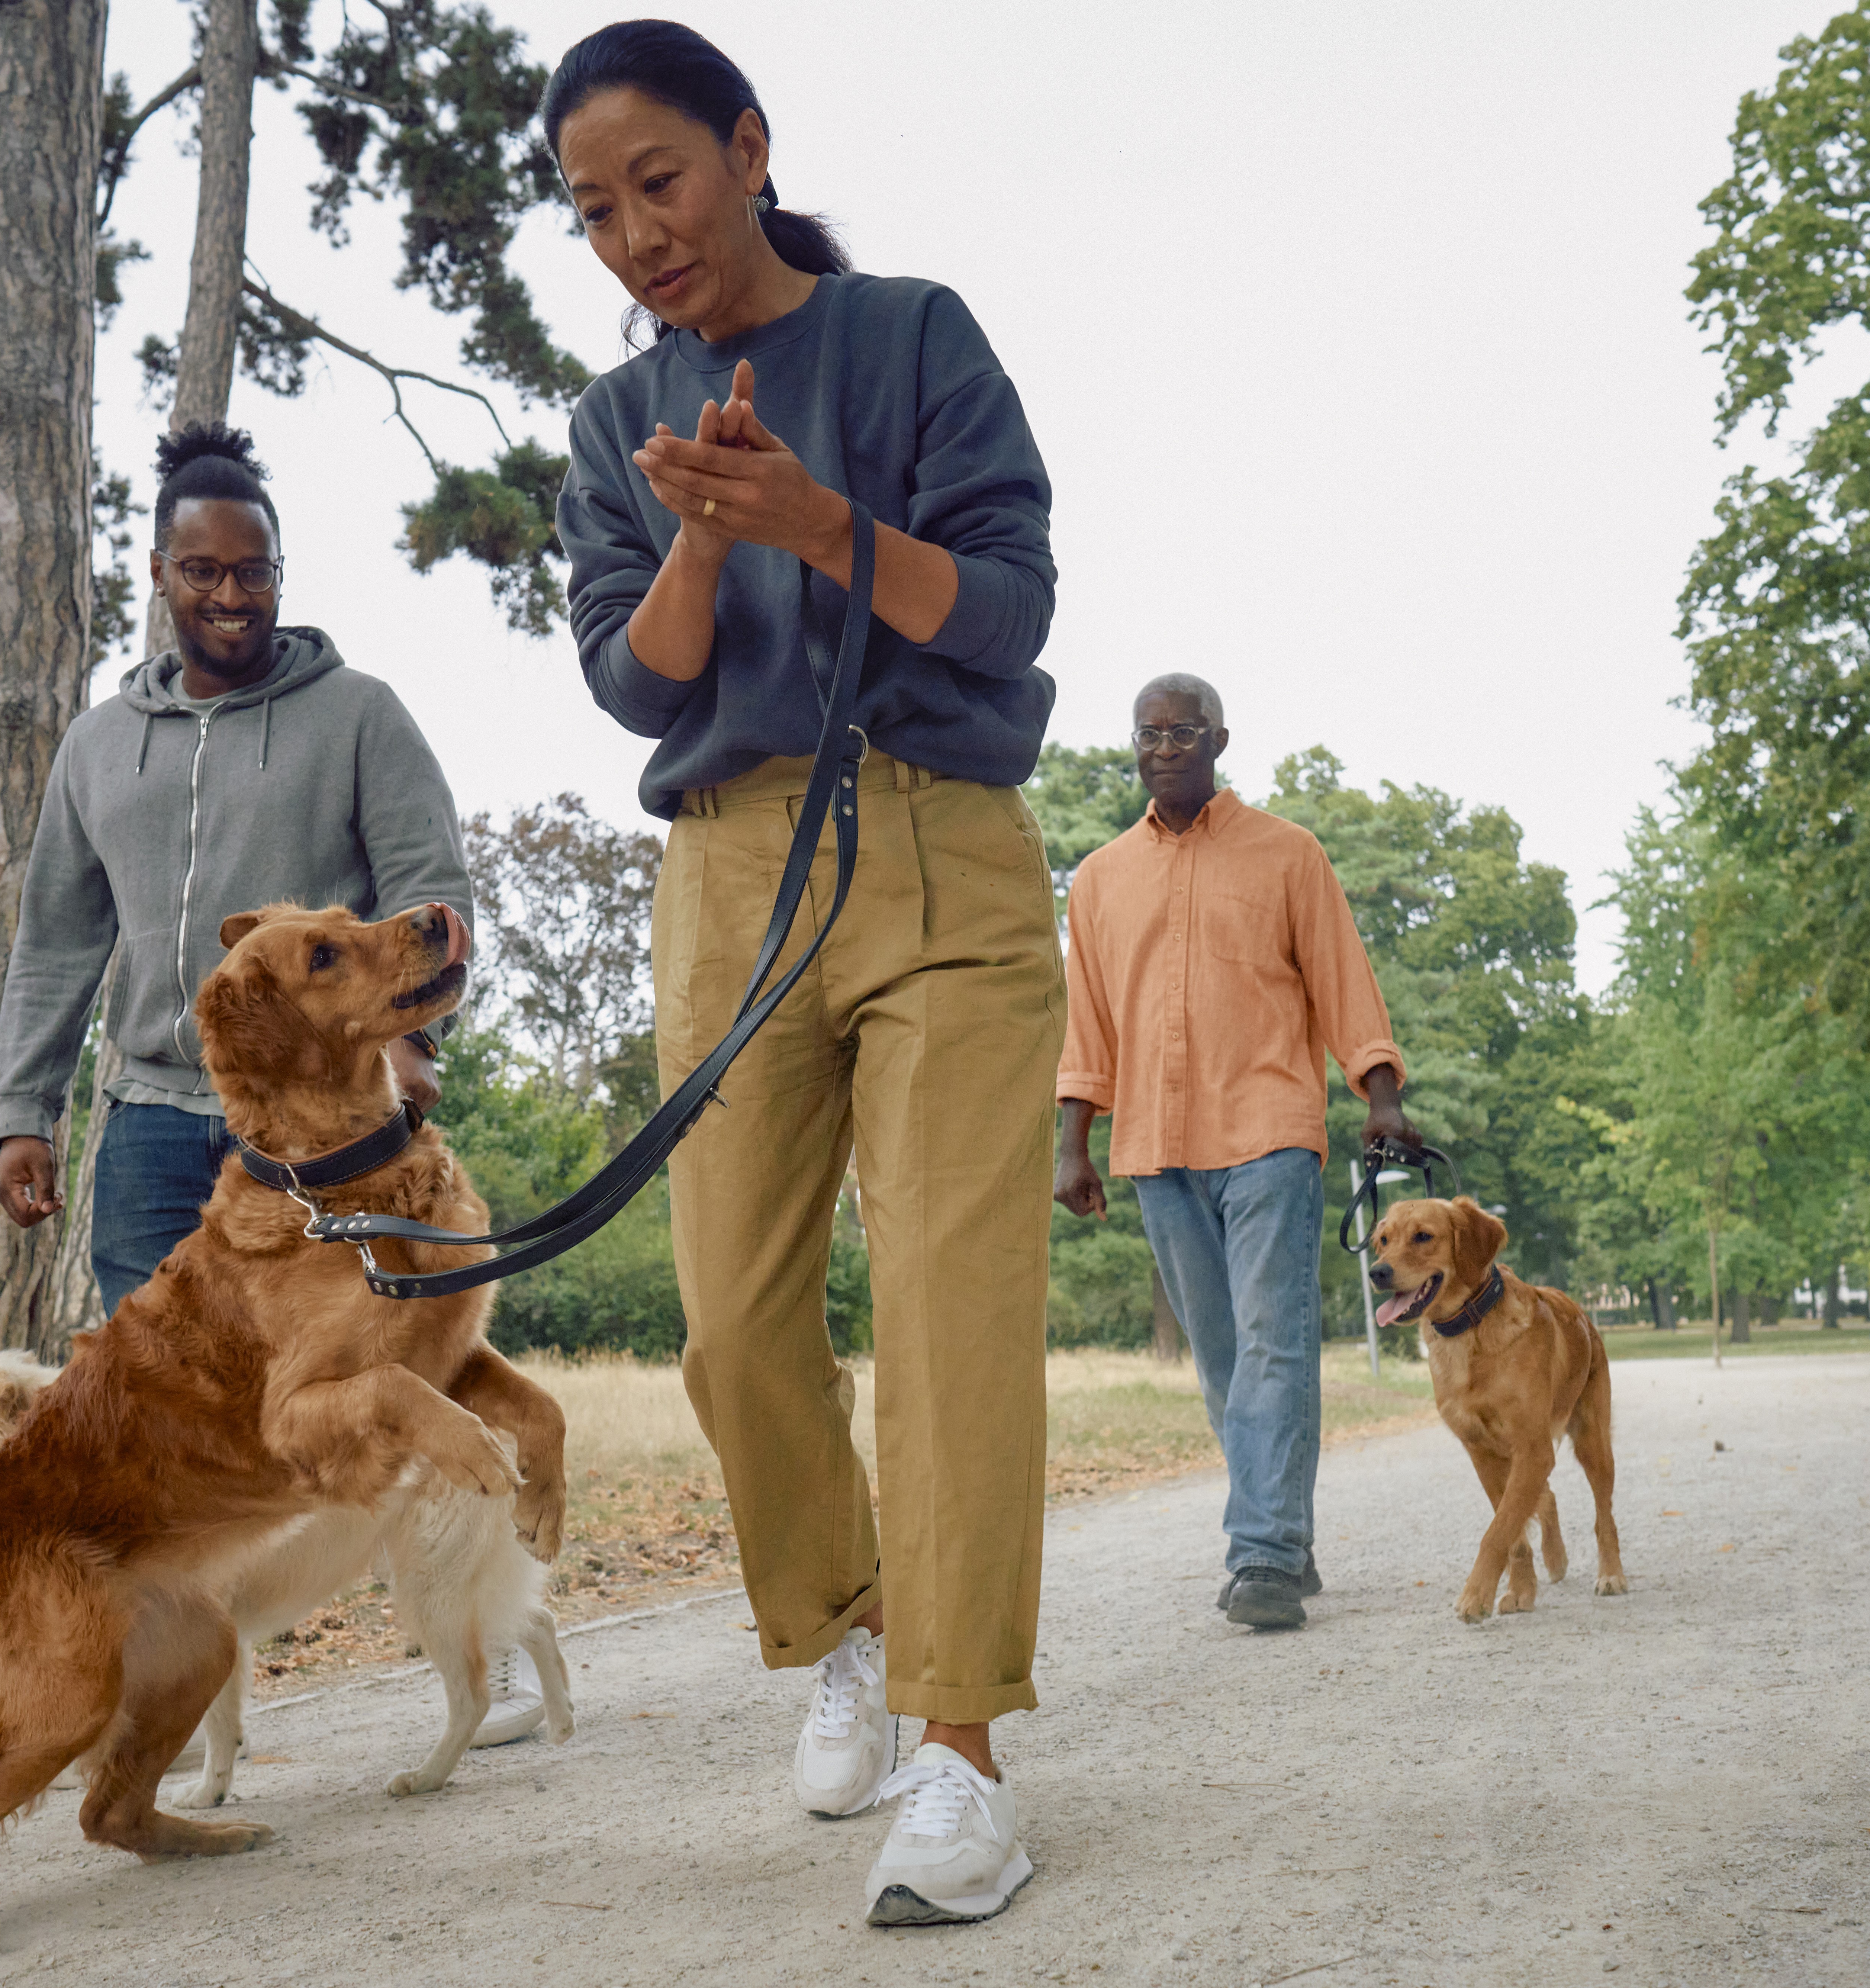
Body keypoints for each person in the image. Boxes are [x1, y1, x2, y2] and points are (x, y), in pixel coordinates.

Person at [545, 20, 1061, 1929]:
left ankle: (957, 1750)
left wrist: (820, 524)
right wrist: (702, 529)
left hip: (936, 834)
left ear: (748, 146)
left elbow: (1001, 609)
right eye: (592, 211)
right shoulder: (617, 426)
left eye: (657, 184)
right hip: (729, 862)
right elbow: (631, 677)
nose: (632, 237)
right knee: (728, 1318)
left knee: (942, 1303)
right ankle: (845, 1626)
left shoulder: (913, 334)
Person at [0, 423, 541, 1738]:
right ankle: (170, 1701)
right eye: (202, 571)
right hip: (156, 1130)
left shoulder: (356, 716)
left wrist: (409, 1039)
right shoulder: (94, 746)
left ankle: (492, 1636)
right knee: (174, 1441)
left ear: (281, 573)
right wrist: (25, 1109)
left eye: (255, 571)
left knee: (398, 1389)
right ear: (161, 572)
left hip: (332, 1146)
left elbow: (430, 892)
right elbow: (58, 938)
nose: (230, 595)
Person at [1053, 673, 1414, 1631]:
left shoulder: (1289, 855)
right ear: (1133, 746)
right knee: (1221, 1359)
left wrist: (1377, 1092)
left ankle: (1260, 1554)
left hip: (1269, 1133)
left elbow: (1344, 978)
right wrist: (1072, 1145)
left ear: (1220, 739)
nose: (1165, 746)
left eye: (1183, 730)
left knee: (1272, 1345)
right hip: (1155, 1148)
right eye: (1149, 732)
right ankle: (1283, 1532)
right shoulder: (1097, 880)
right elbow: (1087, 1023)